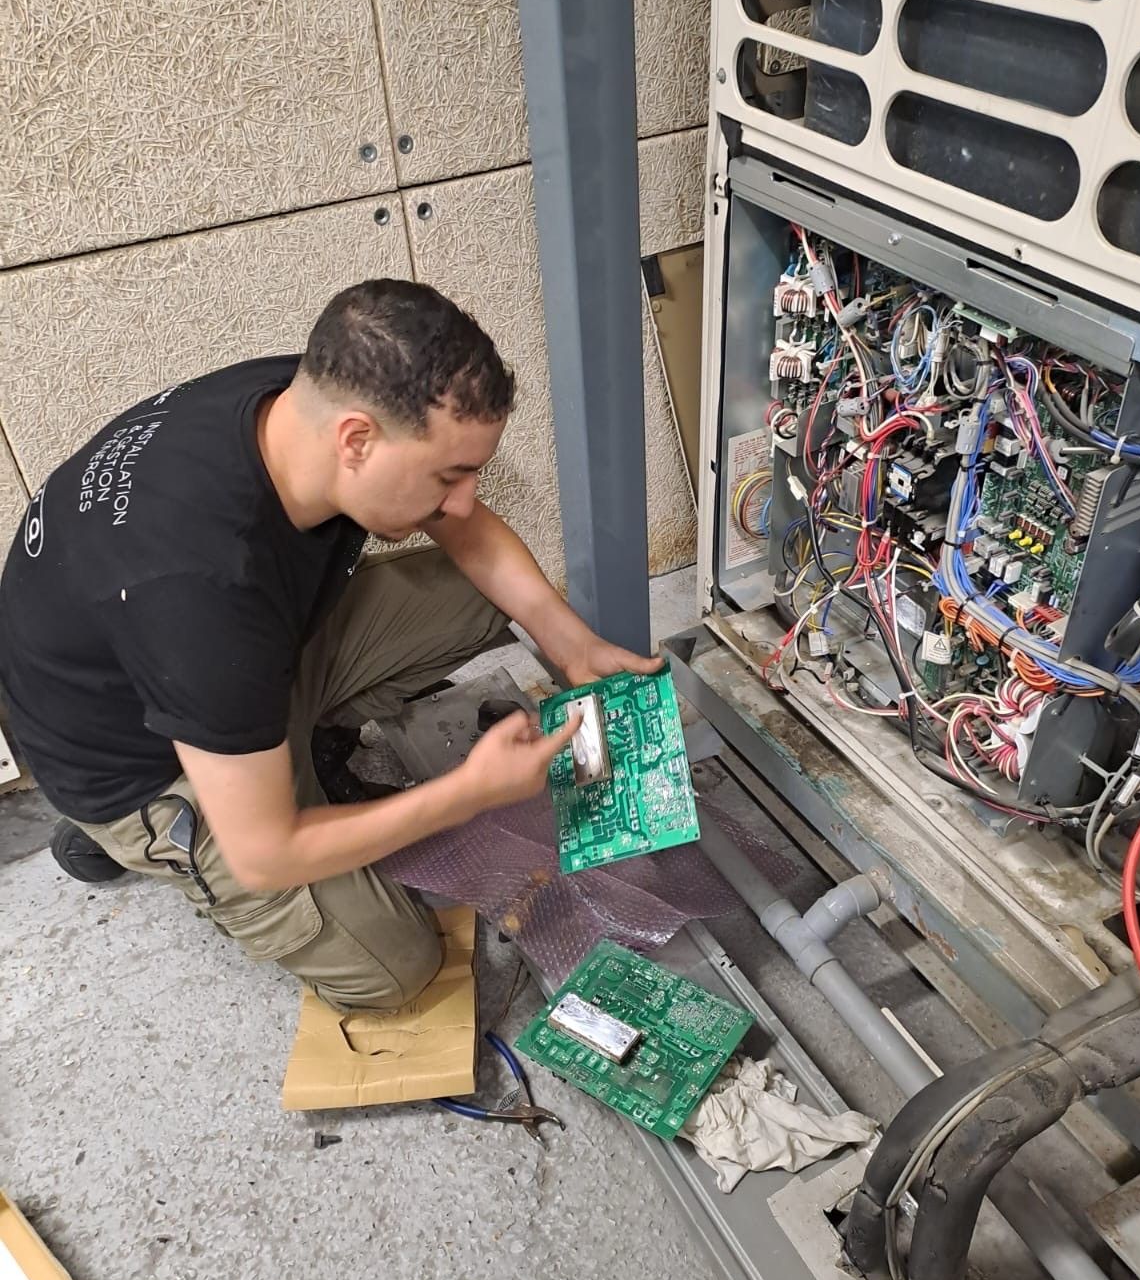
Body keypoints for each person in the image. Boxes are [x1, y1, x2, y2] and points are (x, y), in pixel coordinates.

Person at [0, 279, 660, 1011]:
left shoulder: (301, 397)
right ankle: (156, 846)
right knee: (399, 972)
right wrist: (467, 794)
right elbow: (266, 851)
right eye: (450, 474)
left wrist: (568, 641)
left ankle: (281, 747)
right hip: (143, 768)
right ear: (356, 440)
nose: (468, 500)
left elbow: (465, 532)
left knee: (486, 593)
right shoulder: (199, 590)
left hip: (226, 670)